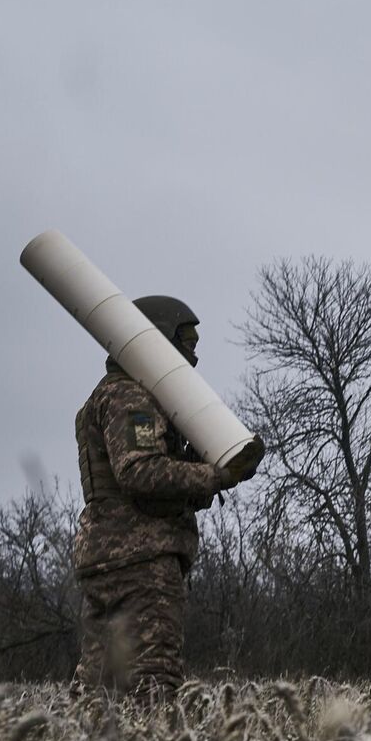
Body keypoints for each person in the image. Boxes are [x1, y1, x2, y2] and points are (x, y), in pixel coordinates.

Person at [72, 295, 261, 696]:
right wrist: (216, 474)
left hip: (109, 558)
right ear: (158, 341)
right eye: (186, 343)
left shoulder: (112, 394)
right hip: (141, 562)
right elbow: (140, 472)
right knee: (153, 683)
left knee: (100, 689)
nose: (192, 356)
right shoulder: (131, 397)